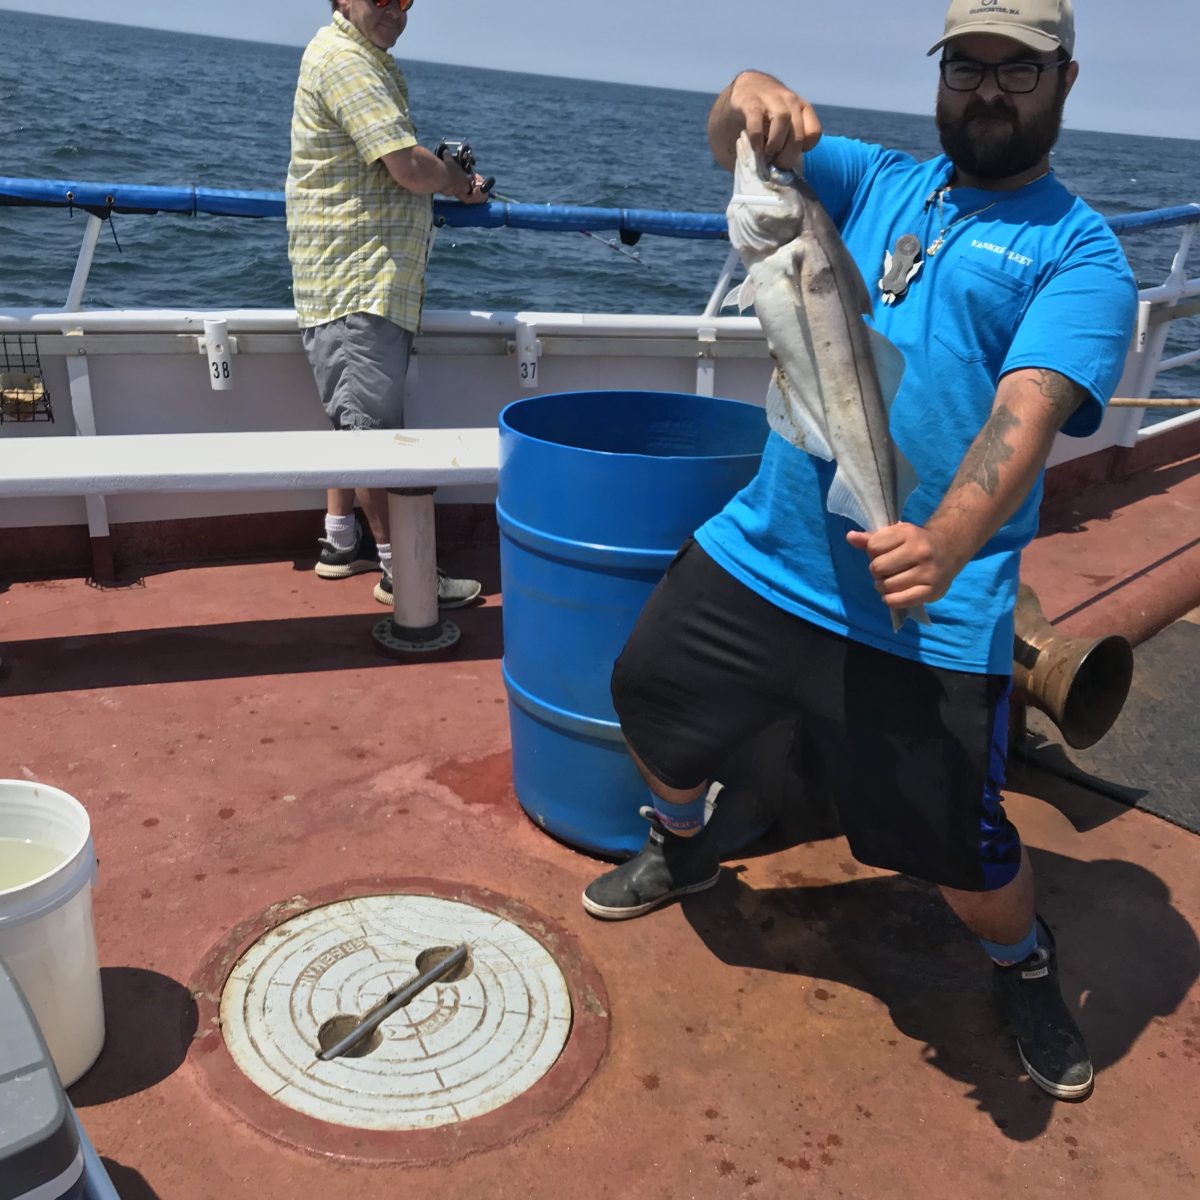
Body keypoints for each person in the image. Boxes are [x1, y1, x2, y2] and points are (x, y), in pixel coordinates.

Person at [582, 0, 1136, 1102]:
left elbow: (1023, 417)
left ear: (1065, 84)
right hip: (769, 550)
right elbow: (733, 137)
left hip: (929, 595)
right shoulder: (876, 178)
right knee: (648, 696)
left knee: (955, 851)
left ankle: (1020, 959)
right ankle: (687, 843)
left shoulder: (1083, 256)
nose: (987, 91)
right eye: (966, 67)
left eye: (1016, 73)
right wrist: (747, 90)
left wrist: (943, 539)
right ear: (939, 77)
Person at [286, 0, 488, 608]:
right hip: (356, 280)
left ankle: (340, 540)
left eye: (405, 1)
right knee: (372, 430)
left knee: (353, 418)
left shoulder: (360, 57)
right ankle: (404, 575)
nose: (395, 11)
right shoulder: (346, 60)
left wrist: (443, 173)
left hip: (351, 279)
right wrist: (455, 180)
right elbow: (404, 166)